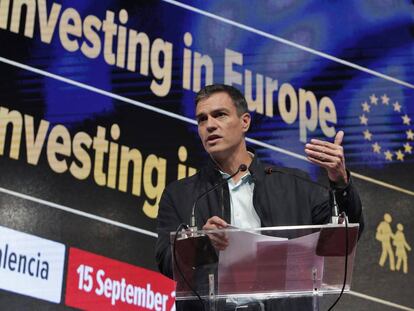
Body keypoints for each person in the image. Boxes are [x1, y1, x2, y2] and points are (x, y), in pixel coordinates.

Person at [155, 84, 364, 310]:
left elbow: (346, 235)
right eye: (202, 119)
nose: (210, 125)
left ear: (245, 122)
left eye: (220, 115)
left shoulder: (294, 185)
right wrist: (201, 244)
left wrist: (341, 182)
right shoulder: (181, 195)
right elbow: (167, 263)